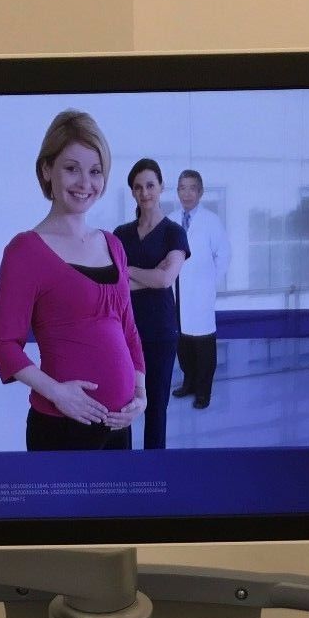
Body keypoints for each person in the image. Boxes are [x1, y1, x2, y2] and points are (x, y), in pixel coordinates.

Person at [0, 111, 147, 450]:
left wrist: (140, 392)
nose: (85, 183)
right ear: (47, 170)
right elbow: (2, 344)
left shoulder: (113, 245)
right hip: (61, 426)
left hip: (119, 424)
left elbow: (128, 329)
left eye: (95, 171)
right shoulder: (25, 251)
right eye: (72, 168)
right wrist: (57, 393)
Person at [113, 160, 189, 449]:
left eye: (150, 185)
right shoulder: (120, 235)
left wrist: (129, 270)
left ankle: (153, 472)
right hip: (123, 333)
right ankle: (124, 469)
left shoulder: (174, 232)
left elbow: (166, 279)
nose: (144, 192)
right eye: (138, 187)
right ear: (132, 192)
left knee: (156, 408)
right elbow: (114, 284)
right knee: (123, 405)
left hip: (160, 332)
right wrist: (151, 275)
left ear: (161, 187)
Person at [172, 170, 230, 410]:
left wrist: (209, 283)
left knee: (203, 346)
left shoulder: (211, 221)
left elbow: (223, 255)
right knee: (183, 344)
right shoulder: (171, 220)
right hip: (178, 294)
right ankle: (189, 384)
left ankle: (203, 392)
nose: (187, 193)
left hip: (201, 294)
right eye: (182, 188)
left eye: (192, 188)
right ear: (177, 191)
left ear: (201, 192)